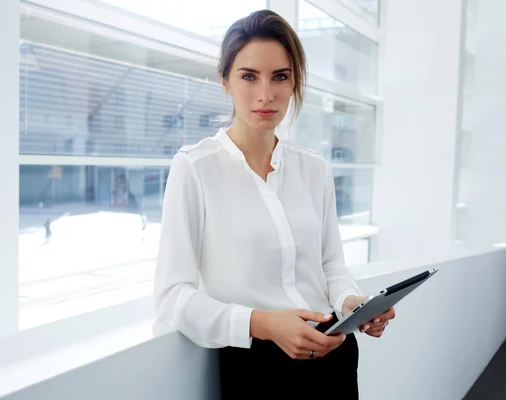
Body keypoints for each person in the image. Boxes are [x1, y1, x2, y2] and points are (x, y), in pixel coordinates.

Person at [153, 9, 395, 399]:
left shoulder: (313, 168)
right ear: (225, 83)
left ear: (294, 82)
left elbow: (331, 264)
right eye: (248, 76)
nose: (265, 94)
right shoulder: (195, 168)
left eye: (280, 76)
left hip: (333, 349)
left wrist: (352, 303)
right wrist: (261, 323)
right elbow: (171, 295)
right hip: (257, 363)